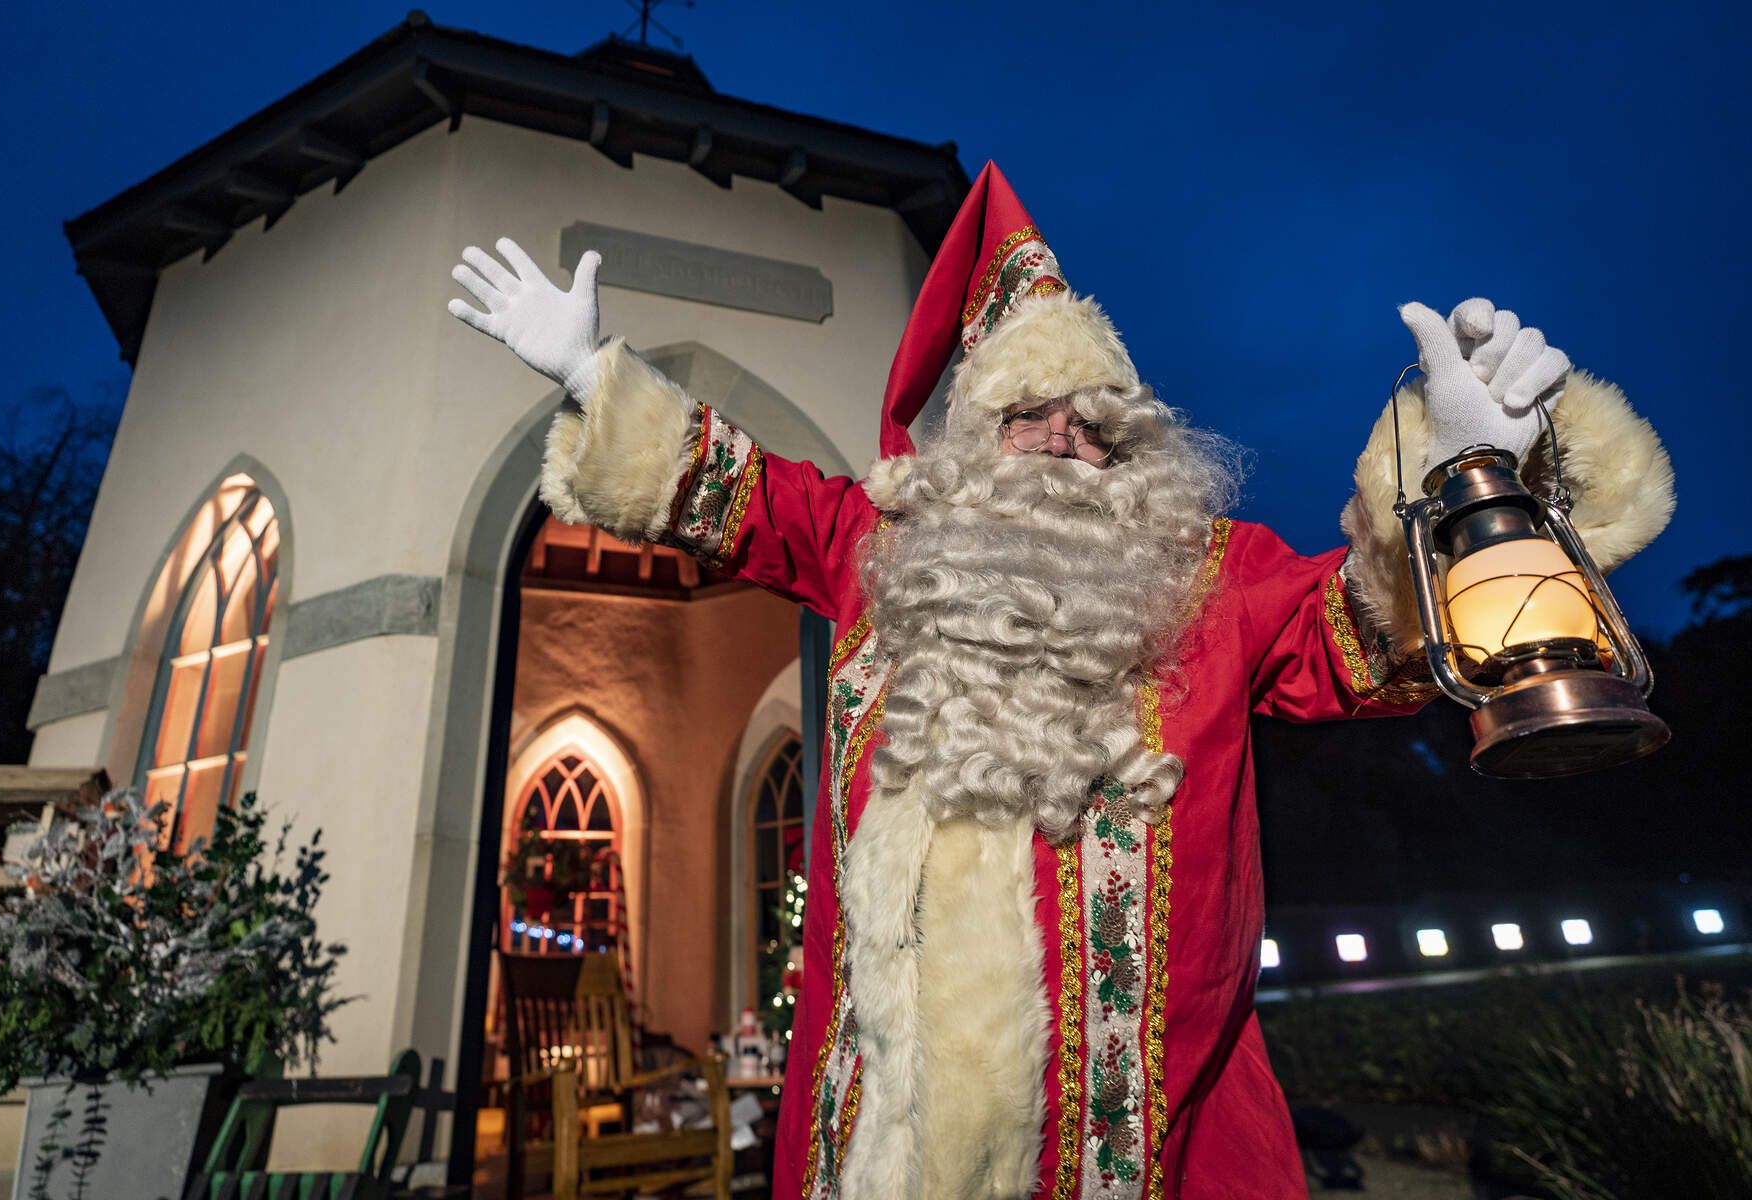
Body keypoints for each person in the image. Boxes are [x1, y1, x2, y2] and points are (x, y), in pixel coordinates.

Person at [447, 163, 1673, 1199]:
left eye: (1091, 419)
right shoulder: (878, 550)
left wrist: (1466, 475)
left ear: (1133, 446)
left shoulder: (1209, 581)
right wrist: (592, 372)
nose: (1059, 440)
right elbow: (734, 494)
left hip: (1145, 1152)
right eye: (1025, 412)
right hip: (887, 1143)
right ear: (973, 437)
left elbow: (1373, 635)